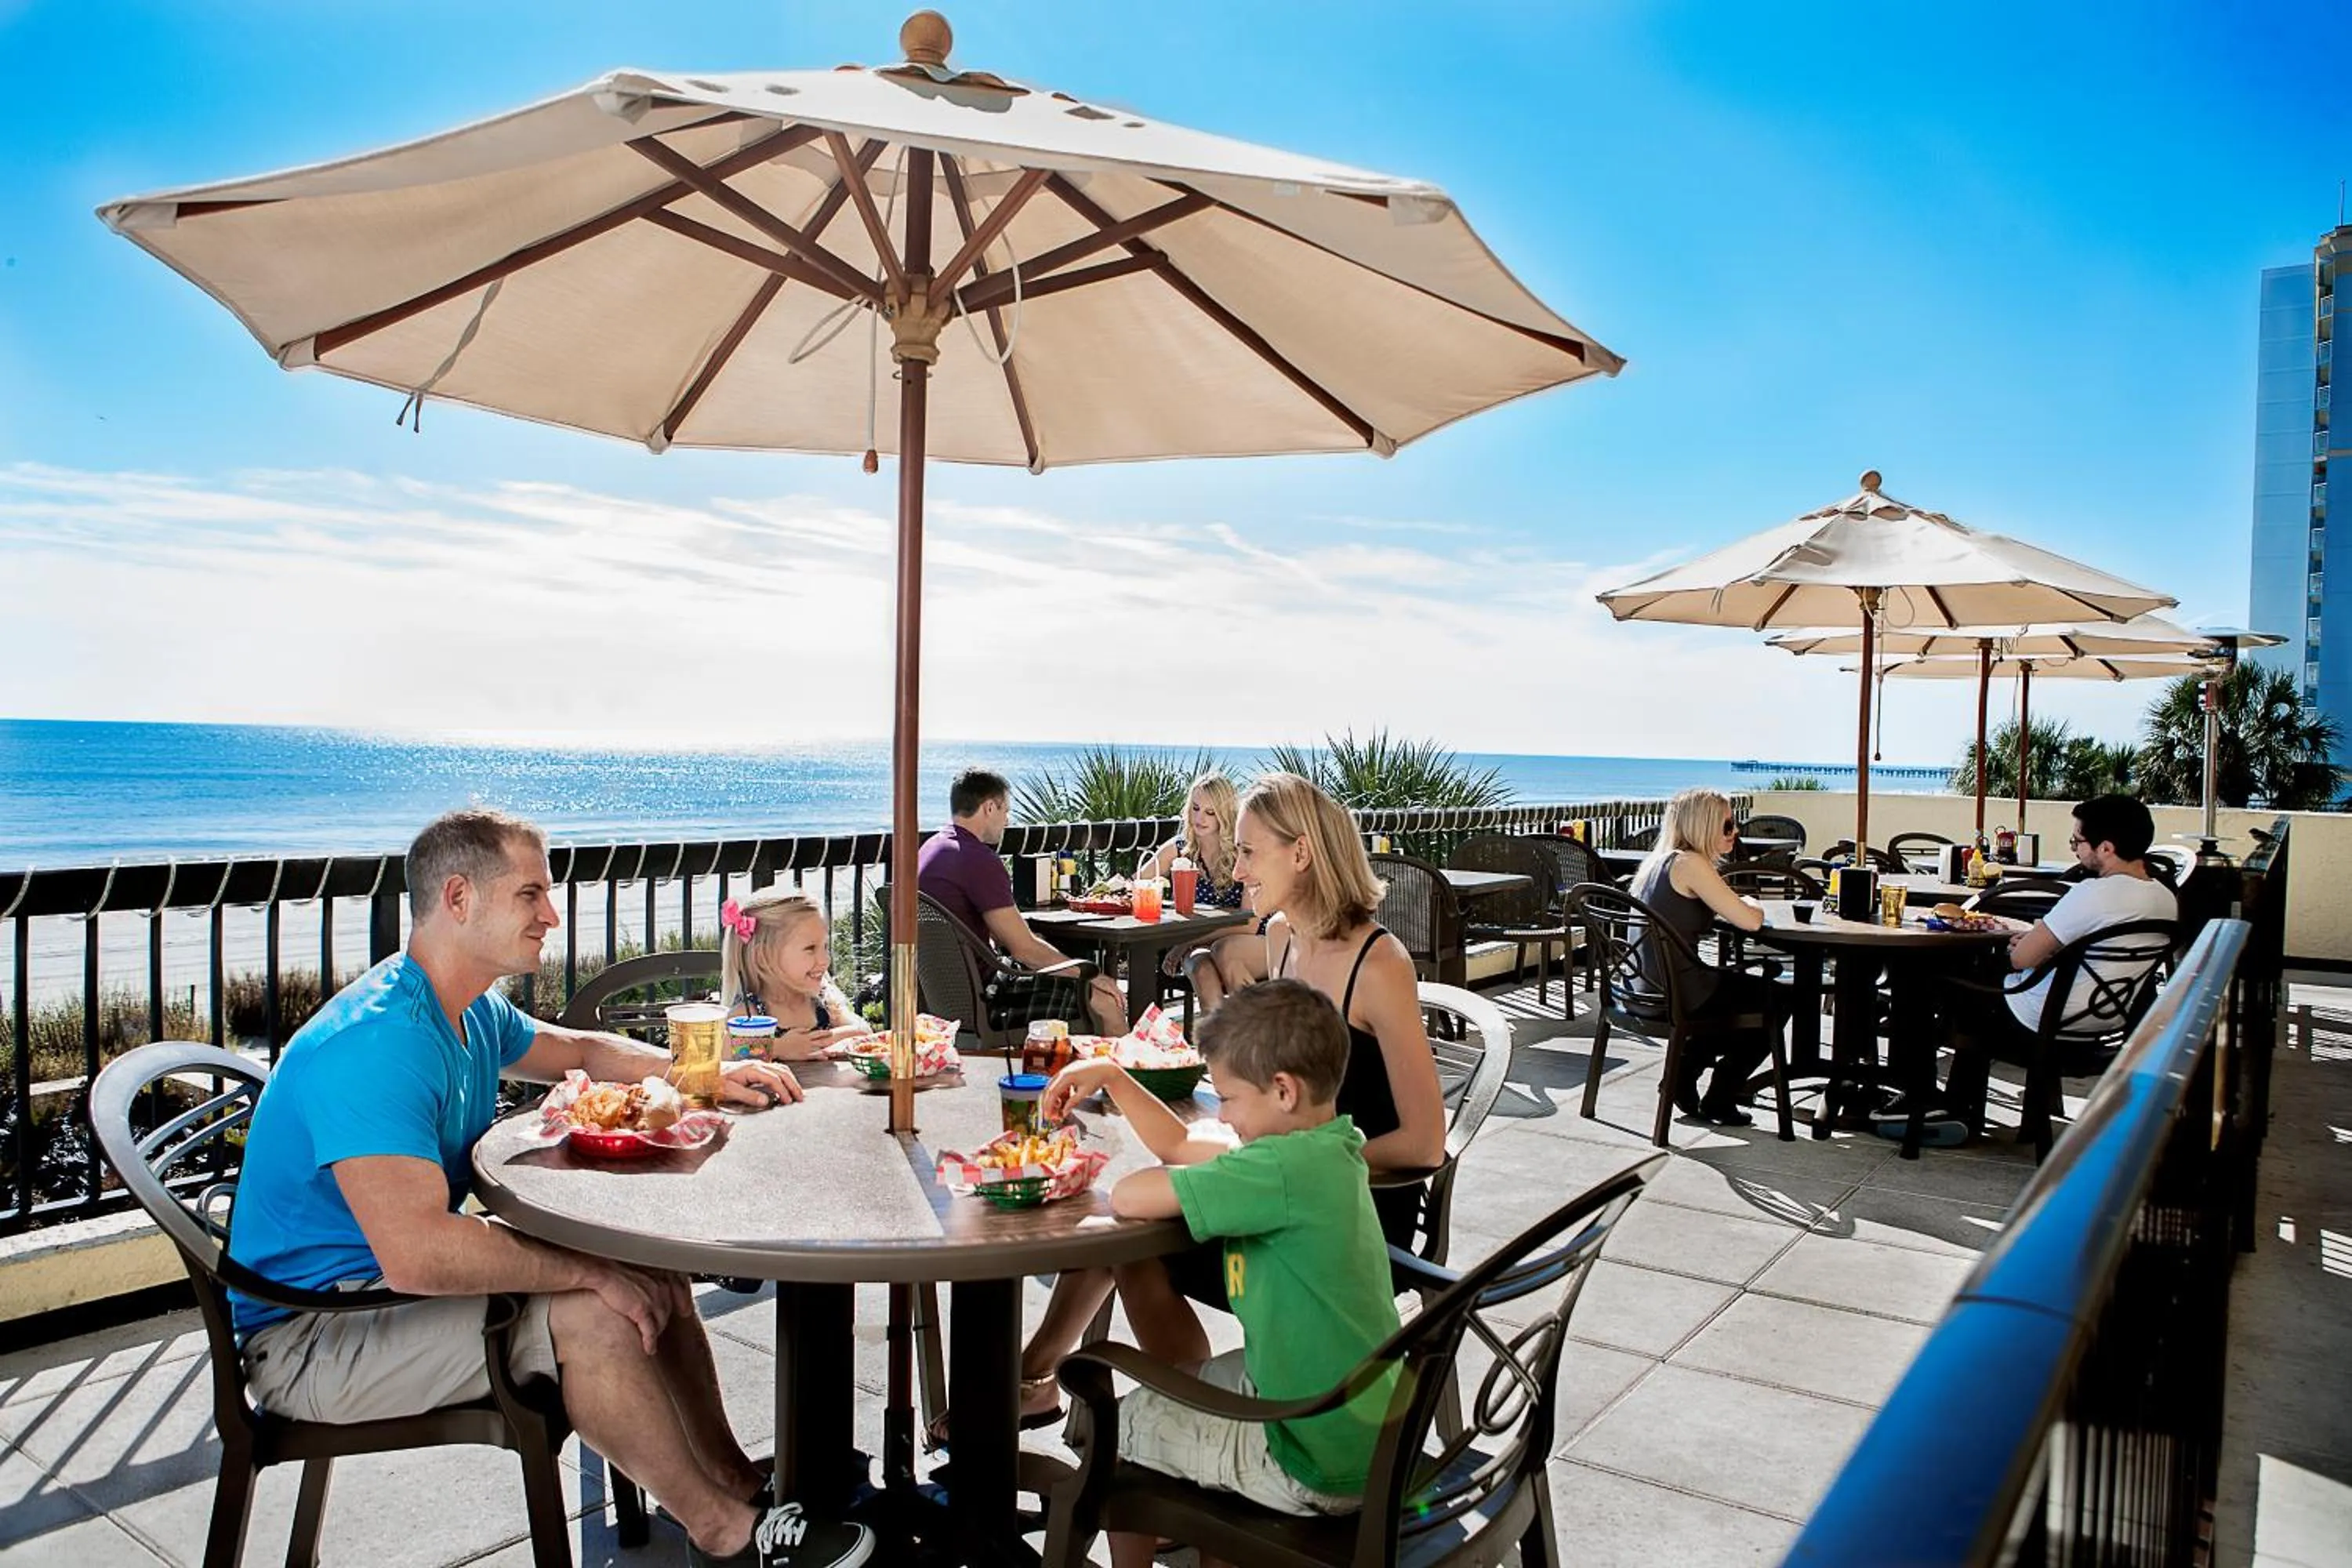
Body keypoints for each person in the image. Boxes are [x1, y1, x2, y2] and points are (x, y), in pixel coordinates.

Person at [227, 809, 872, 1568]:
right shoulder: (379, 1044)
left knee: (649, 1270)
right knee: (594, 1308)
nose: (553, 915)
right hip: (316, 1334)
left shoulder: (462, 1007)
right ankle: (727, 1536)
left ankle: (737, 1484)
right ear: (459, 898)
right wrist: (586, 1268)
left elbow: (581, 1048)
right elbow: (418, 1251)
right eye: (530, 893)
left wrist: (700, 1074)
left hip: (375, 1293)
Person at [972, 773, 1440, 1436]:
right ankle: (1064, 1383)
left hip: (1352, 1209)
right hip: (1278, 1174)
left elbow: (1423, 1142)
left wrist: (1302, 1166)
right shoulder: (1280, 939)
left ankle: (1184, 1420)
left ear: (1301, 854)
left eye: (1249, 853)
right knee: (1127, 1220)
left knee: (1134, 1235)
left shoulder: (1379, 961)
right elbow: (1228, 990)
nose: (1236, 867)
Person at [1042, 981, 1401, 1564]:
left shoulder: (1274, 1171)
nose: (1223, 1115)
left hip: (1308, 1459)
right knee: (1182, 1384)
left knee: (1120, 1427)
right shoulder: (1329, 1148)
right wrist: (1112, 1074)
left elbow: (1132, 1197)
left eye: (1228, 1099)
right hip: (1370, 1435)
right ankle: (1206, 1534)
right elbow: (1183, 1144)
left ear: (1283, 1090)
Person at [1929, 794, 2179, 1141]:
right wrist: (2045, 948)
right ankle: (1956, 1108)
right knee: (1975, 993)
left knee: (1942, 984)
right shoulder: (2165, 899)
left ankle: (1929, 1103)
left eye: (2078, 841)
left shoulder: (2093, 894)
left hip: (2039, 1024)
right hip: (2104, 1023)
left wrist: (2031, 947)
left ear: (2106, 848)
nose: (2075, 850)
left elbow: (2021, 959)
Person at [916, 767, 1125, 1036]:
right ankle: (1125, 1075)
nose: (1007, 821)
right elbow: (1024, 951)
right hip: (989, 997)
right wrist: (1093, 975)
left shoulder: (930, 849)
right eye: (1006, 811)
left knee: (1073, 978)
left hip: (943, 998)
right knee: (1105, 1001)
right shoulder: (977, 859)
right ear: (989, 807)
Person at [1627, 788, 1790, 1127]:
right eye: (1728, 825)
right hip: (1678, 992)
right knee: (1780, 998)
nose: (1736, 832)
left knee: (1746, 995)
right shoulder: (1691, 864)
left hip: (1642, 988)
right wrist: (1753, 903)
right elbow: (1750, 921)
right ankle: (1719, 1095)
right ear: (1703, 826)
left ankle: (1684, 1075)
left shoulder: (1659, 861)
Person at [717, 889, 871, 1059]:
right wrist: (779, 1048)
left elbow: (864, 1032)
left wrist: (821, 1042)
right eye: (810, 949)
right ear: (763, 956)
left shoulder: (823, 1003)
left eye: (825, 947)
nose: (825, 960)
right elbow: (719, 1052)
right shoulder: (750, 1014)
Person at [1149, 771, 1247, 910]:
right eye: (1196, 808)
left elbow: (1251, 923)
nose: (1199, 819)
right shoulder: (1179, 849)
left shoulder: (1243, 853)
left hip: (1240, 932)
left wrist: (1193, 931)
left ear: (1225, 814)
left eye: (1210, 812)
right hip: (1189, 930)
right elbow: (1133, 885)